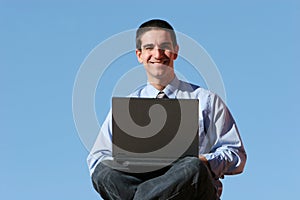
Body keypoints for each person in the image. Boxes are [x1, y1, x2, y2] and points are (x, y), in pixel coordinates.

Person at [87, 19, 247, 200]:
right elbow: (97, 158)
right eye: (149, 48)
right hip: (138, 183)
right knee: (104, 171)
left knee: (193, 167)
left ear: (175, 51)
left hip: (190, 192)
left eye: (164, 46)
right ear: (139, 55)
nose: (157, 53)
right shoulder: (126, 108)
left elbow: (236, 154)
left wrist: (205, 161)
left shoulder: (206, 101)